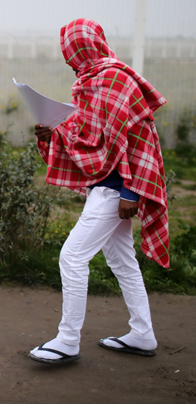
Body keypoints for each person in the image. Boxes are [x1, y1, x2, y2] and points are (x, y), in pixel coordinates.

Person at [29, 18, 169, 364]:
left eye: (70, 51)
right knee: (122, 261)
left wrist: (131, 192)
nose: (67, 60)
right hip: (104, 188)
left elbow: (140, 138)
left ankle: (67, 340)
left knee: (72, 257)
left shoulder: (115, 79)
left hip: (115, 190)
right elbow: (90, 136)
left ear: (83, 46)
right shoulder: (89, 83)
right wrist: (51, 134)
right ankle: (143, 334)